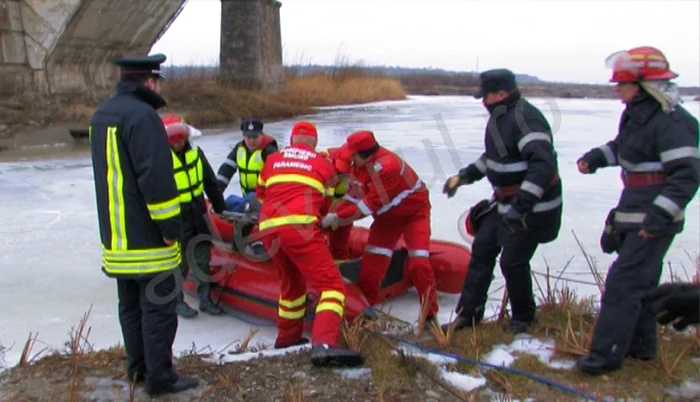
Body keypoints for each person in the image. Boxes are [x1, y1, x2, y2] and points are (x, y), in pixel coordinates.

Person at [575, 46, 700, 375]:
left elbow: (686, 177)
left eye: (622, 84)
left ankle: (603, 358)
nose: (617, 90)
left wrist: (657, 220)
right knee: (641, 284)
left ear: (644, 85)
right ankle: (641, 350)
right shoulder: (637, 115)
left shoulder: (674, 123)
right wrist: (596, 158)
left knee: (622, 285)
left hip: (652, 220)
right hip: (634, 213)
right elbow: (624, 147)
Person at [89, 54, 198, 396]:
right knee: (159, 311)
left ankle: (138, 368)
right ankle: (161, 378)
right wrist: (170, 230)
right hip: (149, 242)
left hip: (117, 241)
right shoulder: (144, 117)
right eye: (158, 81)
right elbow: (156, 181)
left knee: (131, 308)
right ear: (149, 82)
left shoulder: (103, 115)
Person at [440, 68, 562, 334]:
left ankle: (524, 318)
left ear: (502, 93)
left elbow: (542, 167)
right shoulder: (500, 118)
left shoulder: (527, 119)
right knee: (482, 251)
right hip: (505, 203)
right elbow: (493, 158)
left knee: (513, 261)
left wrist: (522, 207)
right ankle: (468, 315)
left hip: (533, 208)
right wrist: (463, 177)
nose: (483, 102)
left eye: (487, 96)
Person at [256, 121, 364, 367]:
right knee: (332, 287)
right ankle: (324, 344)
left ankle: (286, 341)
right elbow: (325, 207)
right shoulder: (324, 164)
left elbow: (261, 194)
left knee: (291, 288)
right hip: (300, 229)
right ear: (315, 143)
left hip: (268, 230)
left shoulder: (273, 160)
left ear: (292, 141)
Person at [320, 130, 439, 324]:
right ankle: (364, 314)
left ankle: (430, 315)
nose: (350, 163)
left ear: (364, 155)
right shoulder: (358, 163)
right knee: (371, 267)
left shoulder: (386, 168)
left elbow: (367, 206)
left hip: (413, 214)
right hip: (386, 218)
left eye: (353, 158)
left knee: (419, 263)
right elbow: (354, 194)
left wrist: (335, 217)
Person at [162, 114, 227, 318]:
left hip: (198, 213)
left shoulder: (197, 154)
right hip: (177, 215)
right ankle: (177, 302)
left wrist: (220, 207)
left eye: (180, 140)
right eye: (174, 141)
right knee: (179, 263)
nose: (178, 144)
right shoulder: (160, 160)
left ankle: (205, 300)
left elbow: (210, 182)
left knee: (202, 259)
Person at [216, 118, 278, 212]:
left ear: (261, 135)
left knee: (247, 199)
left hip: (265, 202)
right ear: (243, 136)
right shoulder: (239, 149)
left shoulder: (269, 151)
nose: (251, 141)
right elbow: (225, 171)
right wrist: (215, 195)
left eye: (255, 137)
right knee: (229, 201)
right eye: (248, 137)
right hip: (247, 201)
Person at [320, 144, 361, 260]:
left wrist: (336, 215)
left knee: (340, 245)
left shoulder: (363, 172)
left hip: (342, 207)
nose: (339, 172)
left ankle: (340, 271)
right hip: (318, 205)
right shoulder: (322, 160)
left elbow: (360, 201)